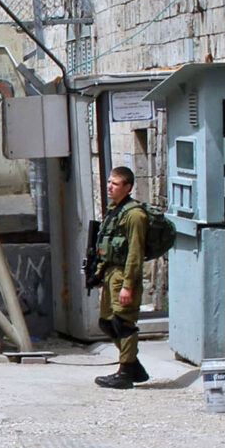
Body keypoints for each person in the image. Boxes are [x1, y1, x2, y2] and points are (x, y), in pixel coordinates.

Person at [91, 166, 150, 389]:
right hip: (111, 274)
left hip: (124, 275)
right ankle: (133, 366)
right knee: (106, 323)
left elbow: (135, 253)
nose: (109, 187)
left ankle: (126, 372)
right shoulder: (116, 210)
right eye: (109, 182)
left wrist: (128, 285)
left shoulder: (135, 215)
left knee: (123, 323)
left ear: (127, 187)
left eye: (115, 184)